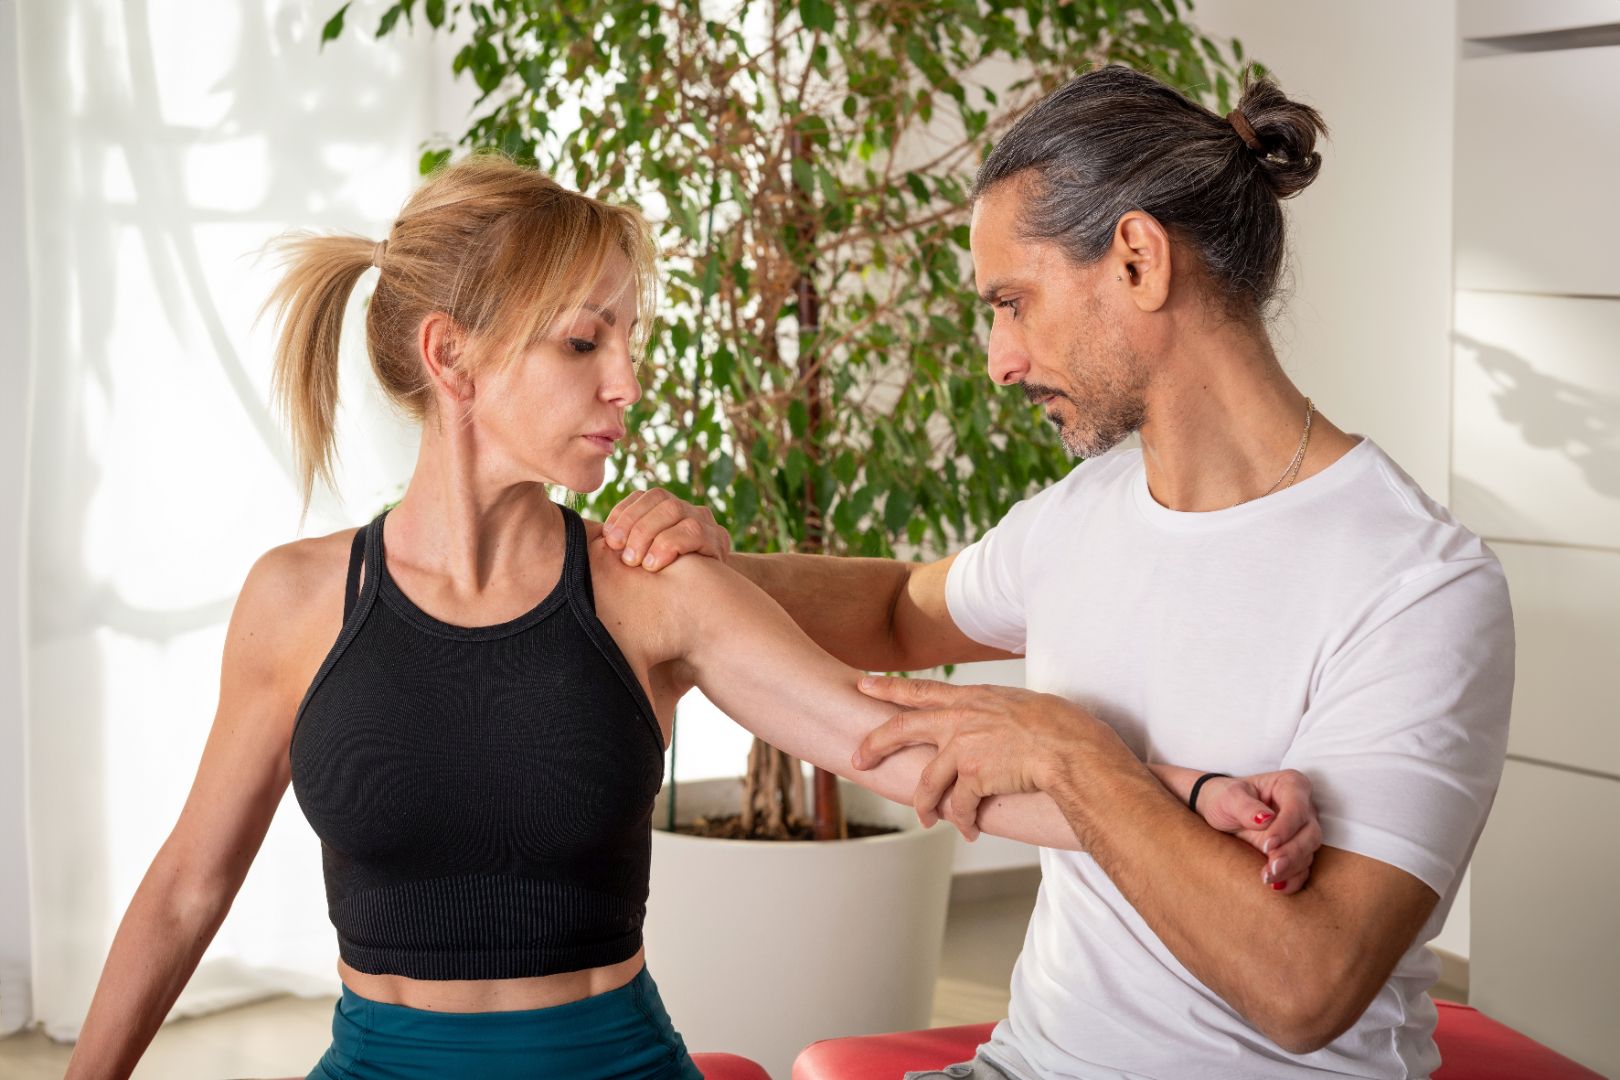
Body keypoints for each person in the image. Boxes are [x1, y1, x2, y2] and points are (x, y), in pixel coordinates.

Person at [62, 152, 1320, 1080]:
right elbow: (188, 885)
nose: (629, 380)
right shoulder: (297, 603)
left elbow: (894, 738)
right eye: (583, 343)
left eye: (631, 337)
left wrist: (1184, 795)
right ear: (453, 360)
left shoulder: (652, 587)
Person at [604, 66, 1514, 1079]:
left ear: (1136, 260)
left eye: (1013, 302)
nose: (998, 359)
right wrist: (698, 572)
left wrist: (1074, 757)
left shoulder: (1418, 585)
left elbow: (1308, 986)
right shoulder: (1084, 517)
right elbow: (903, 613)